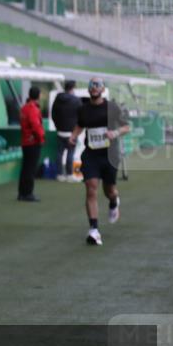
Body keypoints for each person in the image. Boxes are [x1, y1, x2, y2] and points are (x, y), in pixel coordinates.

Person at [69, 77, 130, 246]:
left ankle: (113, 201)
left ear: (103, 89)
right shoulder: (83, 110)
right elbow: (80, 125)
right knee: (91, 188)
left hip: (110, 155)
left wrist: (115, 133)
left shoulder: (112, 108)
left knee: (109, 190)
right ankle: (94, 230)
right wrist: (74, 136)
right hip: (91, 155)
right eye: (91, 85)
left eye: (98, 85)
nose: (94, 88)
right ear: (88, 90)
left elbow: (127, 126)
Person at [18, 86, 45, 202]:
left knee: (25, 168)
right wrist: (41, 138)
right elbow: (36, 126)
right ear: (38, 95)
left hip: (25, 141)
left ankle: (22, 192)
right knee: (30, 168)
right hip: (33, 142)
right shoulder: (33, 109)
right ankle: (28, 193)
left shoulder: (24, 108)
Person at [51, 80, 81, 182]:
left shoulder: (57, 98)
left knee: (59, 153)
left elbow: (53, 114)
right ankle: (69, 174)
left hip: (60, 131)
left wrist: (57, 126)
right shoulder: (76, 101)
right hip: (72, 132)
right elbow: (81, 115)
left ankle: (59, 174)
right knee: (70, 153)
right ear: (73, 88)